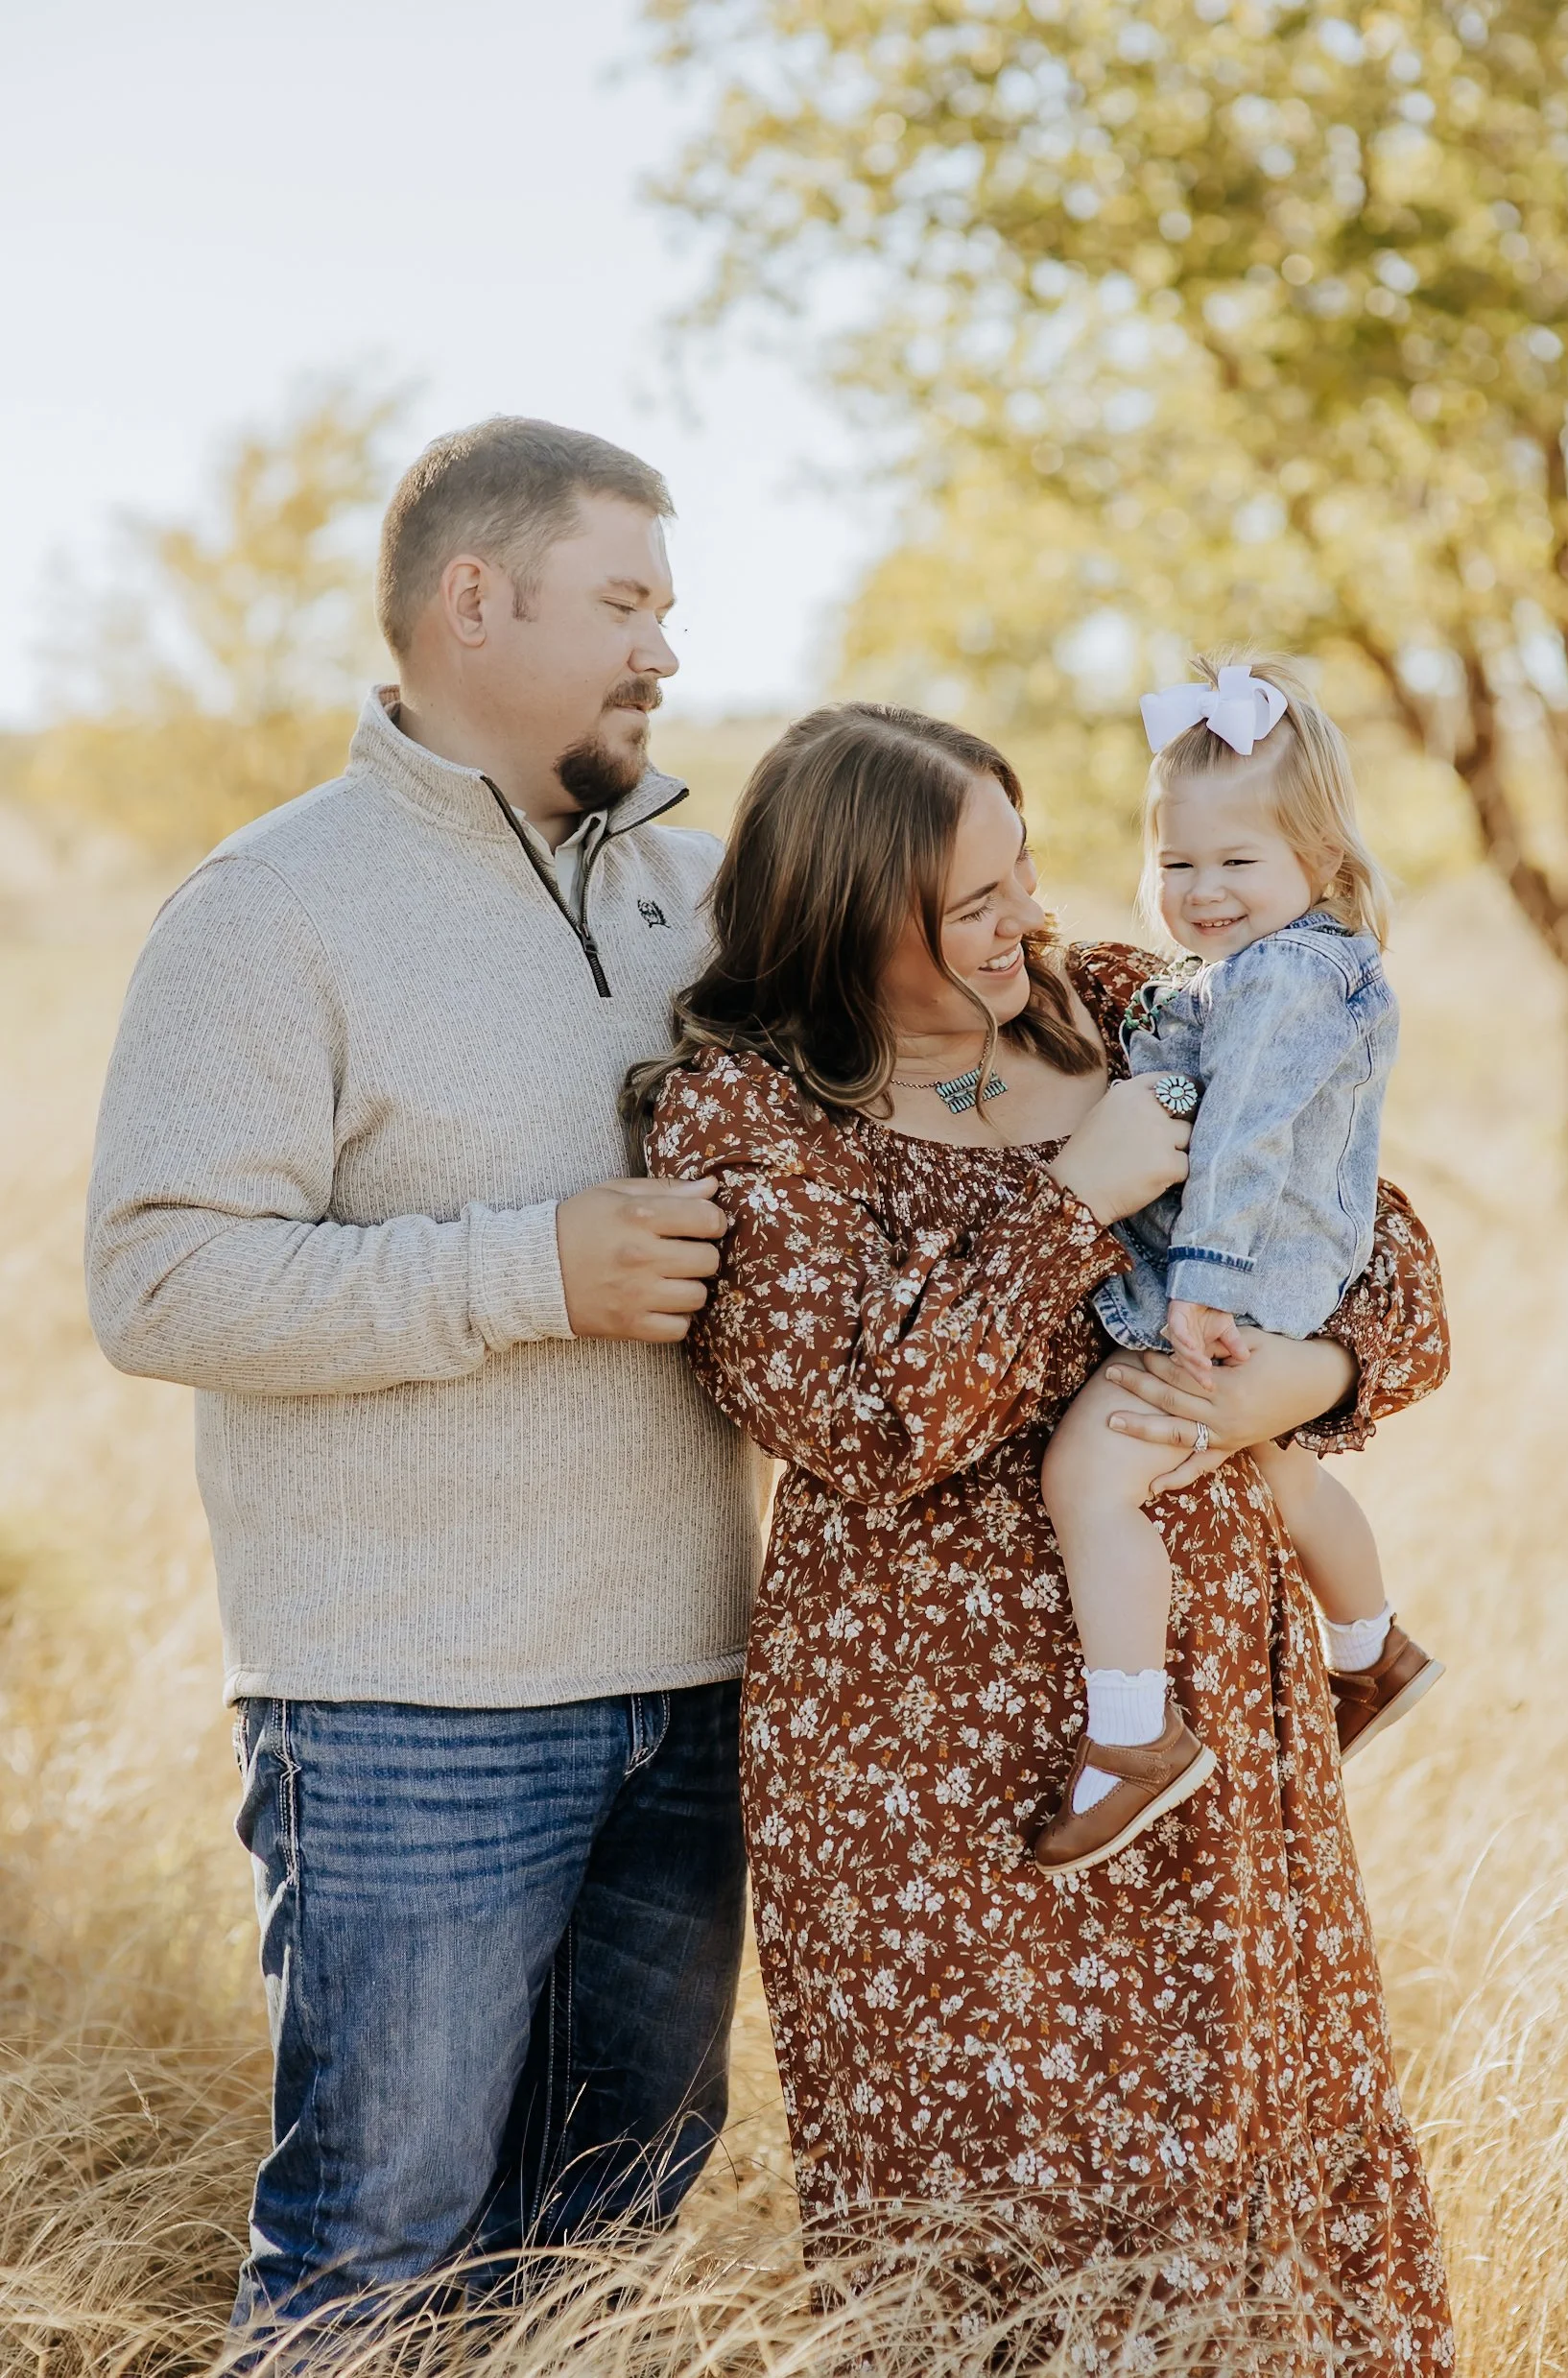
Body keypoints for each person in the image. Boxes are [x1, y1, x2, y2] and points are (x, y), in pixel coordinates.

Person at [630, 702, 1452, 2367]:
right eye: (976, 901)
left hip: (1211, 1714)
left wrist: (1273, 1387)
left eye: (1025, 870)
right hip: (933, 1780)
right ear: (856, 918)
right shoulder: (751, 1120)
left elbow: (1394, 1278)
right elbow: (866, 1422)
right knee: (999, 2200)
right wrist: (1069, 1200)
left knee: (1244, 2157)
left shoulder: (1144, 1004)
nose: (1030, 920)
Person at [85, 418, 769, 2345]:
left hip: (694, 1677)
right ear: (474, 600)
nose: (663, 653)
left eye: (665, 609)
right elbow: (158, 1279)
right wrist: (528, 1273)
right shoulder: (267, 911)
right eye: (626, 602)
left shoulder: (694, 894)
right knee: (376, 2250)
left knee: (602, 2237)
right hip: (409, 1709)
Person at [1033, 656, 1442, 1875]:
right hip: (1281, 1274)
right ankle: (1370, 1650)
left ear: (1318, 860)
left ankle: (1132, 1737)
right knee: (1278, 1471)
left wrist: (1200, 1280)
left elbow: (1251, 1131)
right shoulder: (1265, 966)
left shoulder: (1275, 978)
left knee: (1088, 1478)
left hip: (1239, 1274)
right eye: (1177, 864)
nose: (1201, 892)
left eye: (1236, 863)